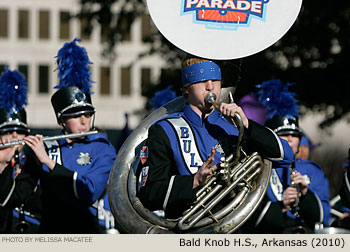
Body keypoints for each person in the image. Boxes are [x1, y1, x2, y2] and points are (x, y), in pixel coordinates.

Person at [138, 56, 294, 219]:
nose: (210, 86)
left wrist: (247, 124)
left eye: (215, 80)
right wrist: (195, 181)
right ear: (186, 88)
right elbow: (150, 194)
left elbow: (286, 157)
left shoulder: (234, 127)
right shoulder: (165, 130)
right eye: (202, 80)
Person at [23, 38, 116, 234]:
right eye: (76, 116)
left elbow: (88, 191)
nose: (84, 122)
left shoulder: (103, 147)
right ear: (62, 120)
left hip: (85, 230)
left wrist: (47, 162)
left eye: (88, 115)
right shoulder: (47, 147)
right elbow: (25, 196)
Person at [243, 79, 332, 233]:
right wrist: (281, 206)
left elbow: (324, 217)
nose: (290, 139)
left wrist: (305, 195)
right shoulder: (257, 168)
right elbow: (247, 217)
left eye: (294, 135)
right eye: (283, 135)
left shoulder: (312, 170)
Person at [0, 67, 38, 233]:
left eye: (19, 132)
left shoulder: (32, 162)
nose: (14, 136)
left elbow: (13, 197)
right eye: (8, 132)